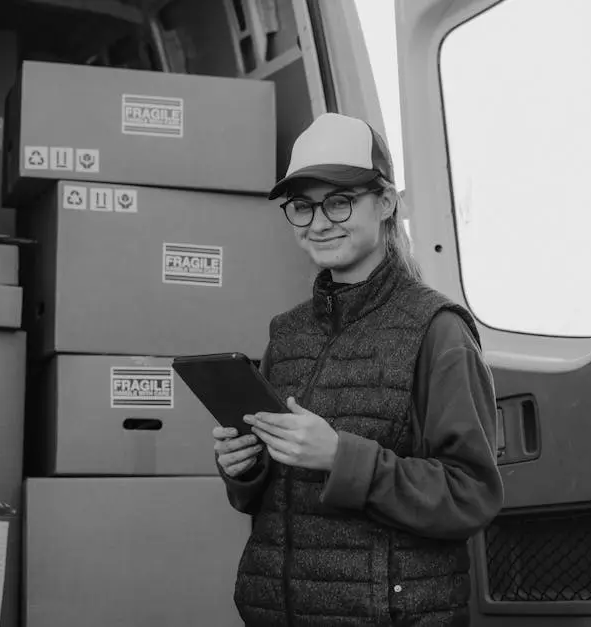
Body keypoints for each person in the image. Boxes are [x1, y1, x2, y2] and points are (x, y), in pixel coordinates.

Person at [212, 112, 504, 627]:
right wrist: (246, 466)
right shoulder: (288, 333)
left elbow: (470, 495)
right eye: (302, 207)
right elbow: (271, 494)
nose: (319, 222)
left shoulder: (437, 331)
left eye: (339, 201)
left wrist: (339, 456)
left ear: (387, 202)